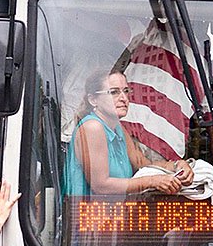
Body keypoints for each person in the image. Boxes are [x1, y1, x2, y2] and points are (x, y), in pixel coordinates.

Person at [63, 71, 194, 197]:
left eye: (126, 91)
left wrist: (177, 166)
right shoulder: (92, 127)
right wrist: (152, 181)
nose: (124, 98)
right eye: (114, 92)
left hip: (118, 210)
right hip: (87, 211)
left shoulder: (118, 128)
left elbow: (142, 163)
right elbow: (101, 186)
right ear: (93, 100)